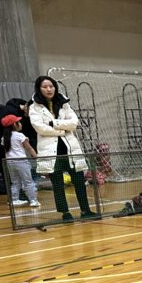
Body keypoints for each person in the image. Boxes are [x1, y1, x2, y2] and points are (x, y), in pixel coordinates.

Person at [27, 75, 97, 222]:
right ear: (39, 89)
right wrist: (62, 130)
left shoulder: (64, 103)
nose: (49, 89)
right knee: (58, 185)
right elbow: (40, 128)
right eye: (45, 87)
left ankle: (85, 210)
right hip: (51, 152)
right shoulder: (34, 107)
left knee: (79, 181)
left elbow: (74, 123)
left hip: (70, 149)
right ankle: (65, 213)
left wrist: (53, 123)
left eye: (51, 86)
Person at [1, 114, 39, 207]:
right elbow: (29, 148)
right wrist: (36, 156)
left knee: (15, 182)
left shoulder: (4, 138)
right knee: (28, 181)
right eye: (19, 122)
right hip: (21, 161)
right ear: (15, 124)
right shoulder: (20, 135)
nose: (21, 124)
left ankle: (14, 200)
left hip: (9, 162)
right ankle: (33, 200)